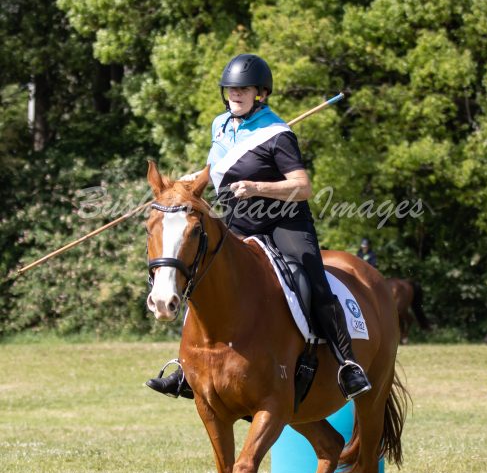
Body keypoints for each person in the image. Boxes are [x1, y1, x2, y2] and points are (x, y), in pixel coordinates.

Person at [147, 54, 371, 401]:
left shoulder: (278, 134)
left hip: (285, 223)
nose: (236, 94)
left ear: (260, 94)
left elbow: (303, 186)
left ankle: (347, 363)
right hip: (239, 222)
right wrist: (179, 189)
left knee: (309, 278)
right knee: (203, 273)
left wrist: (257, 187)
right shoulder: (221, 126)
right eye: (231, 89)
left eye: (244, 89)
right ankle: (187, 368)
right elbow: (216, 170)